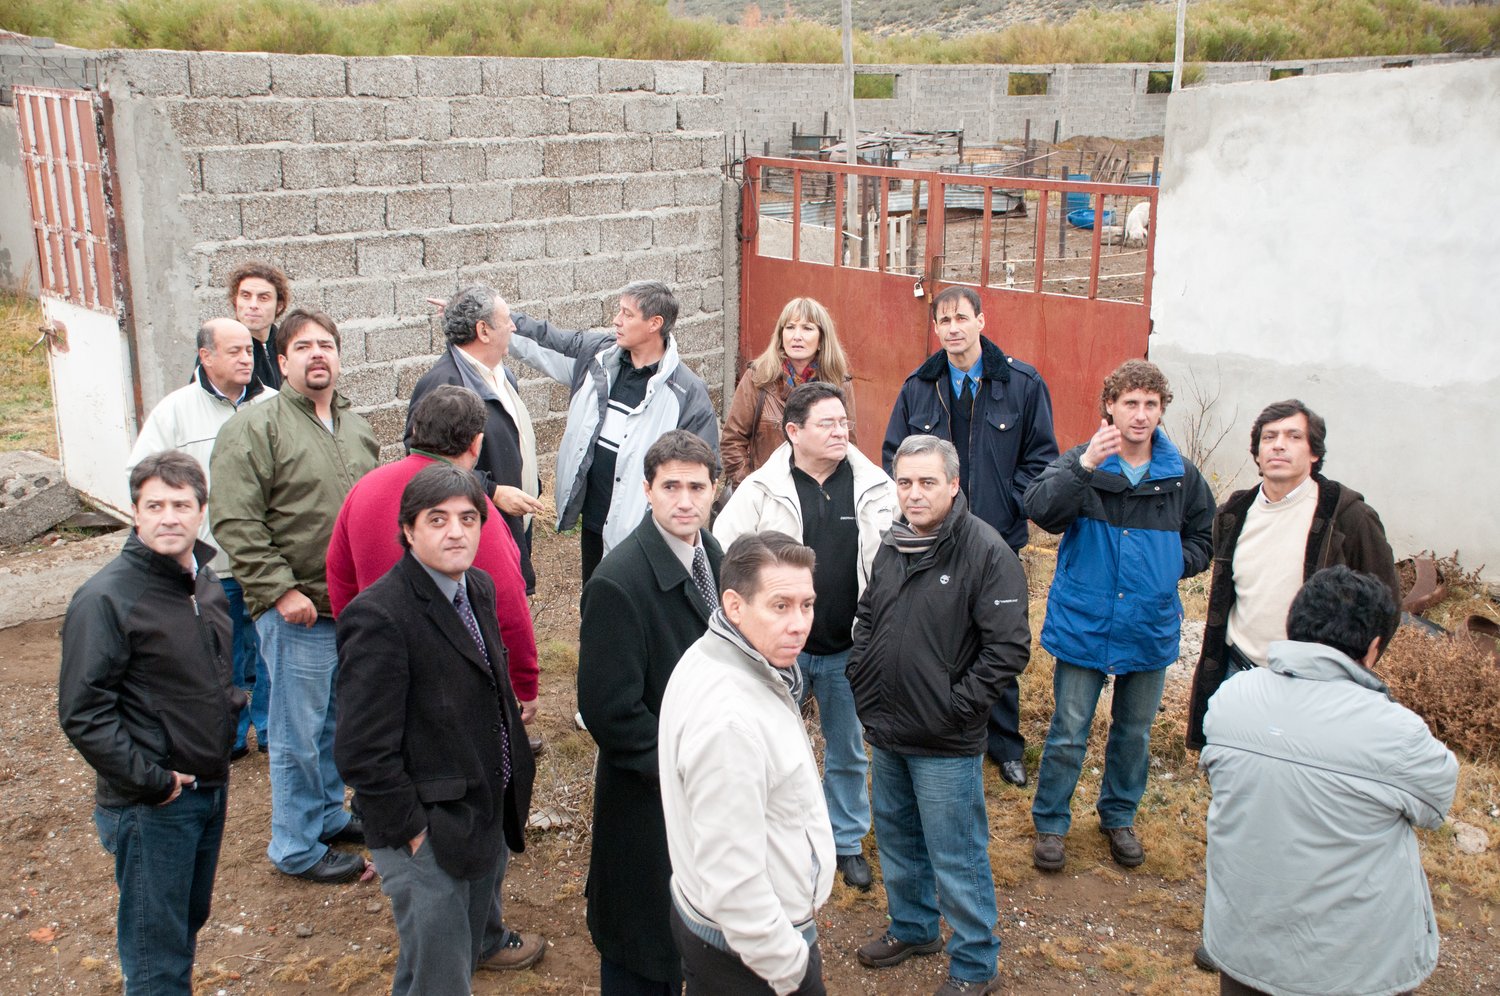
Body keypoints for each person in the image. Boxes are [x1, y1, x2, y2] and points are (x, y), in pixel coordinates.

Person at [1200, 566, 1458, 996]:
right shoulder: (1396, 732)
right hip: (1356, 967)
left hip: (1243, 948)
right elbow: (1437, 805)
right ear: (1374, 647)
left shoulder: (1231, 699)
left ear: (1293, 624)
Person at [335, 464, 538, 994]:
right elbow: (361, 750)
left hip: (481, 811)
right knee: (441, 978)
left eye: (469, 518)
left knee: (447, 964)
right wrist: (415, 833)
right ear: (408, 530)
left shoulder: (478, 588)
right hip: (426, 830)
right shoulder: (379, 615)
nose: (456, 531)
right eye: (438, 519)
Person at [847, 435, 1030, 996]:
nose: (915, 494)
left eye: (928, 482)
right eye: (905, 483)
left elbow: (1008, 650)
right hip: (888, 725)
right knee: (898, 838)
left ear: (954, 484)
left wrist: (957, 707)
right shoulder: (892, 543)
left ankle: (976, 963)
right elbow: (869, 615)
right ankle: (914, 927)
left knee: (957, 852)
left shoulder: (985, 551)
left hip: (946, 737)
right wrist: (862, 673)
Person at [59, 451, 246, 995]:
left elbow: (210, 674)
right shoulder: (105, 600)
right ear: (134, 513)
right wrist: (153, 780)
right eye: (155, 505)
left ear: (201, 511)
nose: (169, 517)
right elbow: (83, 712)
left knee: (184, 925)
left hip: (208, 787)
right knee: (154, 953)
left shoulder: (205, 584)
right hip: (153, 805)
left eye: (181, 505)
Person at [1024, 361, 1214, 873]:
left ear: (1161, 410)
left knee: (1134, 732)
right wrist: (1085, 464)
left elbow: (1204, 538)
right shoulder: (1083, 462)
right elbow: (1041, 509)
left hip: (1148, 622)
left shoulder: (1181, 477)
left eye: (1151, 404)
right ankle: (1051, 824)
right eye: (1130, 403)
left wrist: (1172, 564)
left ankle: (1119, 817)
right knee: (1068, 728)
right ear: (1109, 405)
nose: (1141, 414)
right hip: (1085, 619)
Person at [210, 309, 379, 884]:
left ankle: (328, 814)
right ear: (280, 362)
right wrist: (279, 591)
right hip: (297, 611)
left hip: (350, 607)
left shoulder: (356, 428)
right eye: (302, 346)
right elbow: (235, 520)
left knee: (334, 724)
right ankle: (296, 845)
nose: (317, 354)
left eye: (326, 344)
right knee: (295, 733)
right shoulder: (256, 428)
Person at [713, 381, 896, 891]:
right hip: (777, 655)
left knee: (847, 748)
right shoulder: (759, 491)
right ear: (793, 432)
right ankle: (775, 839)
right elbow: (720, 554)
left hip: (846, 646)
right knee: (771, 749)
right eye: (827, 424)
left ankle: (846, 840)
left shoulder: (874, 487)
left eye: (843, 422)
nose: (841, 431)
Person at [881, 285, 1057, 787]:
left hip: (996, 537)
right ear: (935, 328)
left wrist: (1009, 504)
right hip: (932, 538)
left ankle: (1003, 744)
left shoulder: (1020, 384)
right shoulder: (920, 387)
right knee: (936, 637)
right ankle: (945, 727)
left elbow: (1040, 458)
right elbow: (895, 452)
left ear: (982, 320)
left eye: (961, 317)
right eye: (943, 320)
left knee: (995, 638)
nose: (952, 328)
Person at [577, 429, 722, 995]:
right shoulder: (619, 582)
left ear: (715, 490)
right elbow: (611, 714)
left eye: (697, 486)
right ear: (646, 490)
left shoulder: (711, 554)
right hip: (649, 798)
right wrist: (689, 767)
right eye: (671, 487)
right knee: (642, 947)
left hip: (704, 790)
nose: (685, 500)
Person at [659, 532, 833, 996]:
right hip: (747, 958)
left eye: (807, 604)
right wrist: (791, 968)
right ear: (734, 606)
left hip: (717, 932)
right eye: (780, 606)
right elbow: (734, 885)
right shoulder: (729, 721)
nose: (799, 624)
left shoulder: (721, 656)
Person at [1185, 399, 1400, 751]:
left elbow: (1385, 602)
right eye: (1269, 437)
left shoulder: (1347, 516)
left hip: (1314, 685)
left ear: (1314, 452)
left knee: (1302, 784)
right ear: (1257, 453)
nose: (1279, 445)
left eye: (1293, 436)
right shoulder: (1234, 514)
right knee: (1235, 778)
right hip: (1240, 672)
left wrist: (1357, 667)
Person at [329, 385, 539, 724]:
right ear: (476, 444)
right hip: (451, 685)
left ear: (414, 432)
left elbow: (339, 575)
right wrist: (524, 684)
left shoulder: (364, 488)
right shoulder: (470, 510)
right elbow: (508, 604)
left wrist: (356, 647)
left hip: (380, 667)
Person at [505, 280, 719, 583]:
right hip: (594, 515)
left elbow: (705, 468)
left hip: (642, 529)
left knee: (635, 601)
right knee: (594, 591)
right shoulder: (597, 356)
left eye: (627, 314)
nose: (617, 320)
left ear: (654, 324)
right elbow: (545, 339)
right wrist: (492, 318)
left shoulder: (686, 392)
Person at [129, 318, 274, 761]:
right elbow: (143, 479)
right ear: (206, 357)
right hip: (213, 564)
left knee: (270, 651)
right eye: (233, 351)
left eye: (249, 351)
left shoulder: (274, 405)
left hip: (267, 559)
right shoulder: (175, 412)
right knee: (220, 651)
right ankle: (227, 734)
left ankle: (272, 729)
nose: (245, 359)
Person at [406, 285, 544, 593]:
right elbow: (425, 462)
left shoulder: (501, 374)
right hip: (475, 535)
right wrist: (492, 492)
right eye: (507, 319)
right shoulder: (443, 384)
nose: (513, 326)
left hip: (509, 524)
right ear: (483, 330)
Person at [720, 297, 857, 487]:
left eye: (807, 328)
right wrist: (751, 488)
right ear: (780, 335)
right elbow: (732, 440)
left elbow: (848, 446)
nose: (796, 336)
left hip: (819, 492)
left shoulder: (839, 384)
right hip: (768, 493)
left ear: (821, 339)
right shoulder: (758, 377)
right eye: (790, 327)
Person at [225, 260, 291, 390]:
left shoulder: (288, 347)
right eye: (245, 296)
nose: (253, 305)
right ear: (235, 300)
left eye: (263, 298)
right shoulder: (220, 347)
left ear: (279, 306)